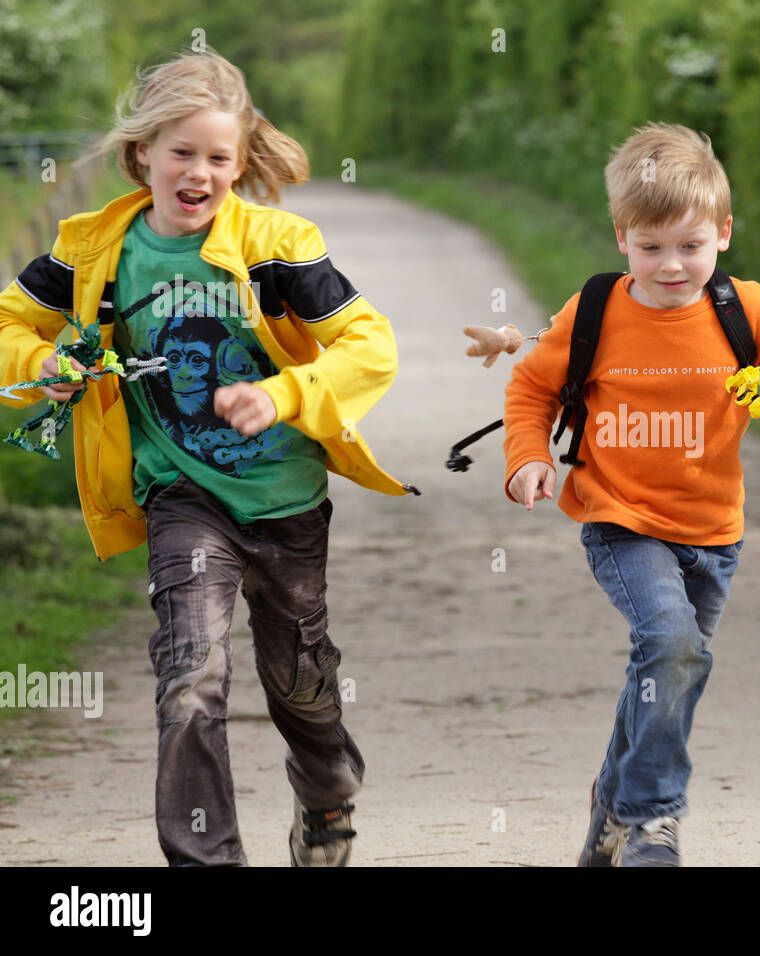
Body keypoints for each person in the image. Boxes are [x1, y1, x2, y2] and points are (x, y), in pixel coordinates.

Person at [0, 50, 417, 866]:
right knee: (190, 673)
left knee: (300, 682)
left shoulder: (276, 247)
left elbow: (370, 346)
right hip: (179, 495)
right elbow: (11, 325)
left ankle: (327, 792)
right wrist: (42, 364)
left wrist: (285, 395)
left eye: (219, 158)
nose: (200, 173)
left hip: (284, 498)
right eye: (182, 153)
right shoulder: (94, 252)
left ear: (239, 161)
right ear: (142, 154)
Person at [503, 123, 760, 866]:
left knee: (666, 669)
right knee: (670, 642)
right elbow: (531, 388)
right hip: (618, 518)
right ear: (621, 237)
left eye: (690, 245)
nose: (670, 265)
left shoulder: (743, 309)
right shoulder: (592, 312)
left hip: (714, 529)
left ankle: (610, 815)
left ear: (723, 233)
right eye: (650, 247)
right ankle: (653, 818)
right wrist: (529, 459)